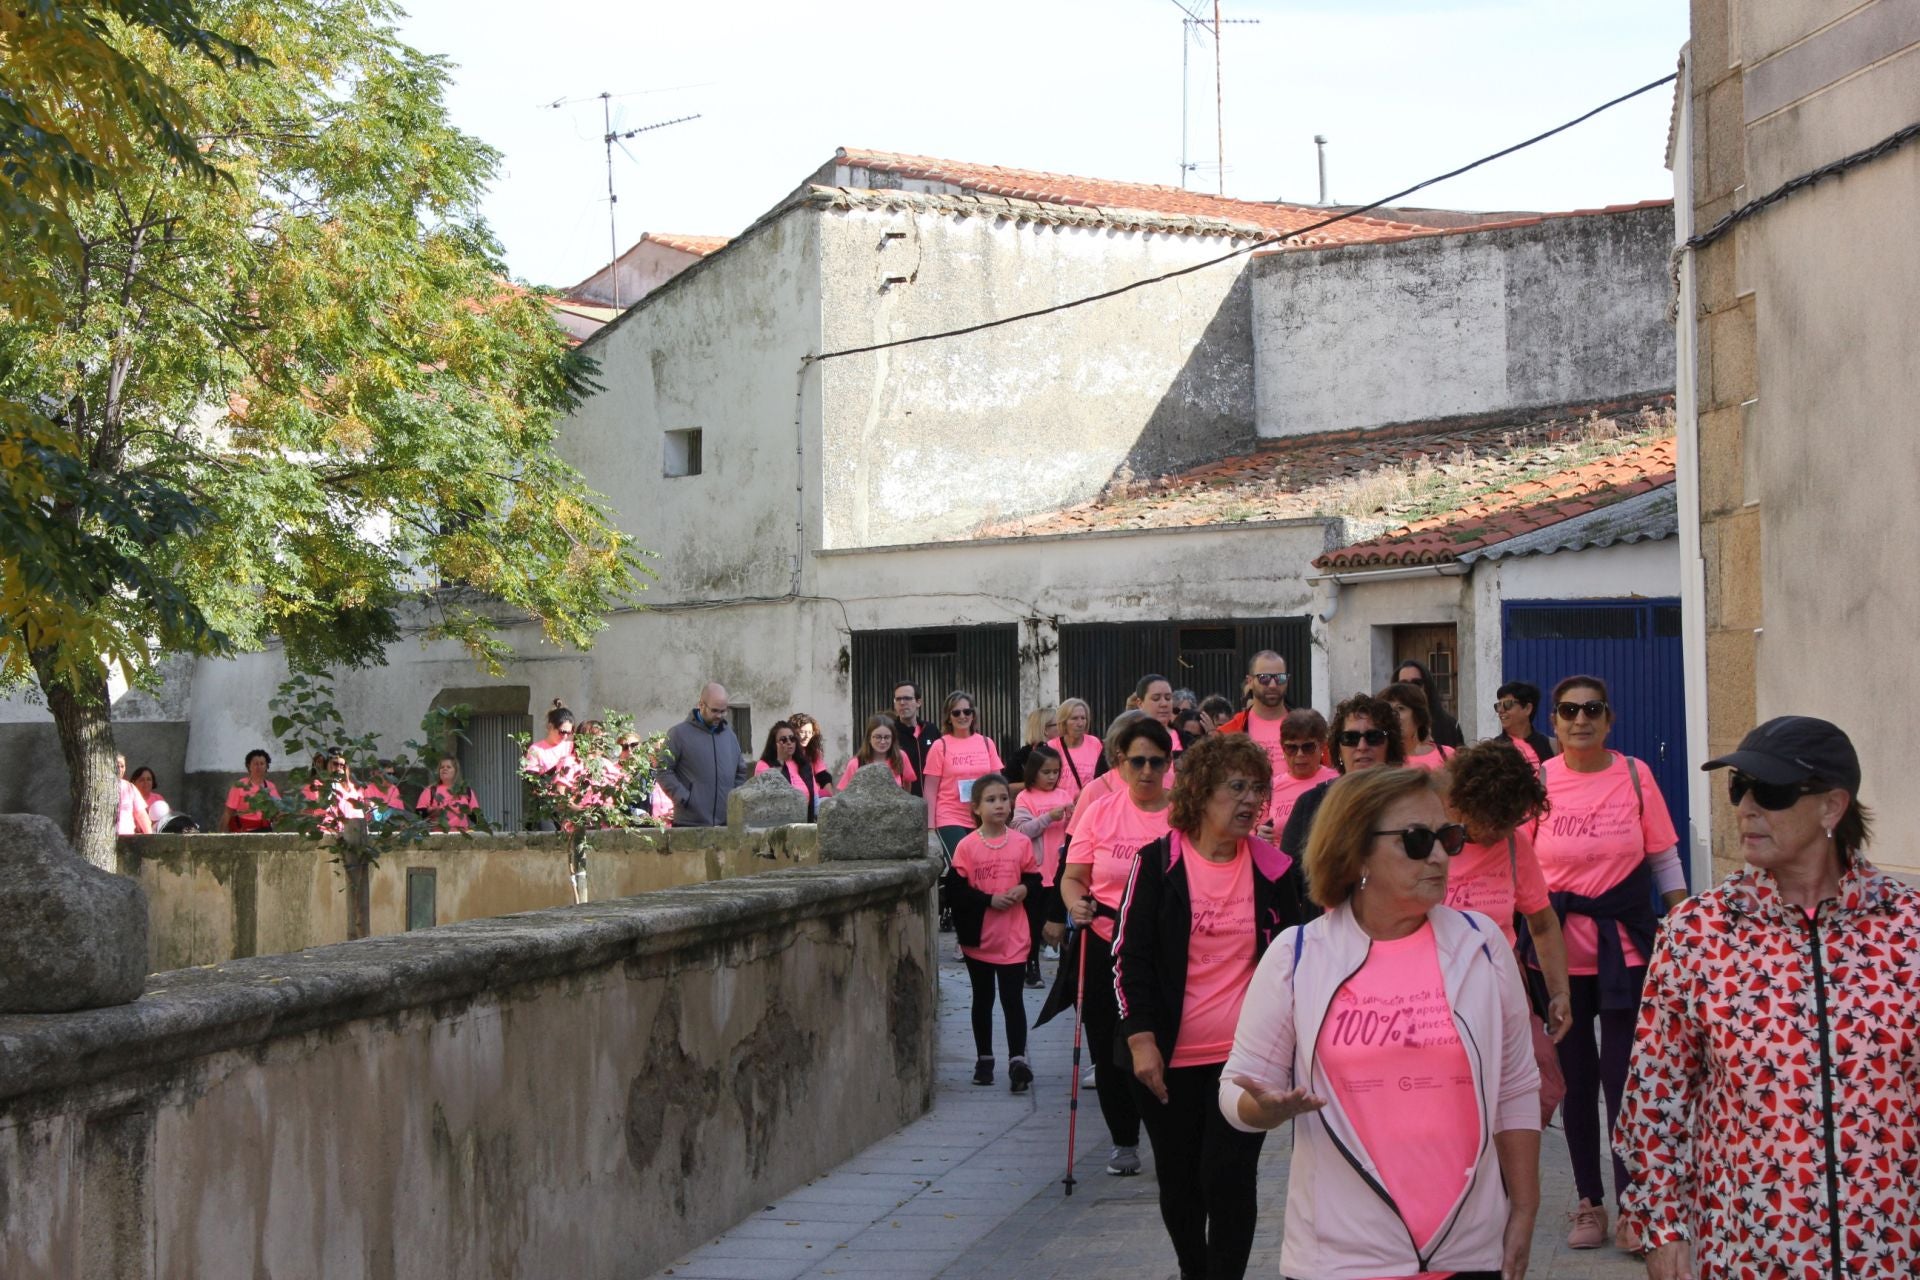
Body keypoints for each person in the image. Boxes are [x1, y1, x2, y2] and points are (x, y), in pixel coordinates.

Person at [1617, 716, 1920, 1279]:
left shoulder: (1908, 930)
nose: (1747, 807)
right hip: (1750, 1250)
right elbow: (1654, 1100)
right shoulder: (1697, 933)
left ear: (1832, 808)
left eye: (1771, 791)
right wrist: (1662, 1227)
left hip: (1889, 1248)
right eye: (1739, 787)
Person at [1220, 767, 1542, 1280]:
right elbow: (1235, 1091)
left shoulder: (1483, 946)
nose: (1439, 855)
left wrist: (1524, 1208)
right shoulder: (1298, 956)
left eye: (1447, 837)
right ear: (1356, 851)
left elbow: (1517, 1087)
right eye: (1417, 841)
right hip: (1340, 1255)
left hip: (1468, 1248)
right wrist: (1262, 1109)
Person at [1113, 732, 1311, 1280]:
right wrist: (1140, 1039)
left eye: (1258, 789)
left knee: (1228, 1179)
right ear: (1200, 793)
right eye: (1237, 787)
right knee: (1180, 1183)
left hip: (1241, 1060)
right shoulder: (1157, 863)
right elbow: (1128, 957)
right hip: (1166, 1058)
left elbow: (1293, 961)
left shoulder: (1274, 870)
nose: (1251, 801)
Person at [1530, 674, 1687, 1252]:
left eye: (1592, 709)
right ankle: (1589, 1202)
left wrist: (1686, 930)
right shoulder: (1538, 782)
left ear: (1609, 719)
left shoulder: (1634, 775)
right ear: (1555, 722)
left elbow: (1664, 859)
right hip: (1557, 960)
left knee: (1627, 1080)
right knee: (1575, 1082)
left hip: (1627, 951)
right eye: (1568, 710)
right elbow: (1519, 868)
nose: (1580, 720)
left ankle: (1636, 1205)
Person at [1056, 716, 1175, 1177]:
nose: (1146, 771)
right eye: (1137, 761)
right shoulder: (1100, 812)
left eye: (1156, 762)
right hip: (1106, 941)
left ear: (1168, 764)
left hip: (1164, 946)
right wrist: (1074, 907)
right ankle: (1124, 1138)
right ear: (1120, 763)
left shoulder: (1184, 813)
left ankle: (1165, 1130)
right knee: (1110, 1050)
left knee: (1160, 1040)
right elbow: (1072, 877)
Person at [945, 773, 1041, 1092]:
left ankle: (1018, 1061)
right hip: (981, 939)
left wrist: (1023, 890)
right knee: (983, 999)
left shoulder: (1022, 842)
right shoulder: (967, 846)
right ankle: (984, 1060)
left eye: (1003, 798)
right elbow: (956, 892)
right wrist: (989, 899)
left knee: (1012, 999)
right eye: (991, 800)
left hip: (1014, 936)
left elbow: (1035, 881)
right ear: (975, 808)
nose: (1000, 805)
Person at [1277, 692, 1408, 864]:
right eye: (1350, 738)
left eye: (1373, 737)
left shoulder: (1409, 800)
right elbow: (1291, 879)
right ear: (1338, 749)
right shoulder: (1311, 804)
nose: (1362, 746)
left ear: (1390, 745)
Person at [1013, 744, 1071, 987]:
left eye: (1056, 772)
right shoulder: (1025, 797)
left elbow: (1075, 830)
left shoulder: (1064, 796)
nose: (1052, 777)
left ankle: (1064, 971)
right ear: (1034, 772)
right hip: (1037, 870)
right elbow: (1021, 831)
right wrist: (1049, 818)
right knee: (1034, 924)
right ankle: (1032, 967)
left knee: (1062, 924)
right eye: (1046, 772)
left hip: (1061, 871)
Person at [922, 691, 1005, 862]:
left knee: (985, 867)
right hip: (950, 816)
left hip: (983, 816)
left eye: (967, 711)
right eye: (956, 712)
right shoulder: (940, 746)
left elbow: (998, 783)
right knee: (963, 865)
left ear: (973, 715)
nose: (962, 716)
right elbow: (930, 790)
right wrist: (930, 828)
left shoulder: (986, 743)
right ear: (948, 717)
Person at [660, 683, 751, 827]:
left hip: (724, 823)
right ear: (701, 705)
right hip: (689, 823)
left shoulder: (730, 736)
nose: (720, 716)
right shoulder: (678, 734)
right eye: (715, 711)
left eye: (723, 711)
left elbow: (740, 771)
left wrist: (732, 798)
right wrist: (684, 798)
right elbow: (663, 770)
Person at [1215, 650, 1293, 779]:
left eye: (1280, 678)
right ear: (1250, 681)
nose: (1273, 685)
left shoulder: (1308, 729)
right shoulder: (1228, 733)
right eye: (1264, 678)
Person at [1263, 708, 1338, 839]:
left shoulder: (1337, 781)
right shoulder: (1272, 787)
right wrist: (1261, 836)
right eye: (1292, 748)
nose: (1300, 754)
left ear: (1321, 746)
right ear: (1283, 748)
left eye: (1308, 747)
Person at [1096, 675, 1183, 779]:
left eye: (1168, 698)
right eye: (1156, 698)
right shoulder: (1121, 739)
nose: (1164, 704)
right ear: (1140, 703)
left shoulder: (1188, 740)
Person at [1381, 681, 1454, 771]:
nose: (1393, 715)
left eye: (1400, 708)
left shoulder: (1447, 755)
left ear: (1418, 716)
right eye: (1388, 709)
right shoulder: (1379, 757)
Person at [755, 720, 821, 820]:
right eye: (783, 740)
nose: (789, 743)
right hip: (778, 822)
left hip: (804, 821)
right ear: (774, 744)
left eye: (792, 738)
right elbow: (771, 794)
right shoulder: (764, 765)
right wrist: (780, 760)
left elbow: (814, 798)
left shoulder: (803, 764)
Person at [1395, 658, 1466, 748]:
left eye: (1416, 683)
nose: (1410, 689)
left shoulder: (1450, 726)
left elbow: (1459, 760)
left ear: (1427, 686)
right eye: (1404, 684)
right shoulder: (1388, 726)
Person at [839, 715, 917, 791]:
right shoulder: (856, 763)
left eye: (887, 737)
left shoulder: (901, 757)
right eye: (878, 737)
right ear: (869, 738)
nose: (882, 741)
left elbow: (907, 784)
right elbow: (844, 793)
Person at [1046, 697, 1101, 802]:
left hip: (1088, 807)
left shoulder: (1095, 744)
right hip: (1060, 810)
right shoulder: (1051, 746)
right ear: (1064, 722)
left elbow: (1103, 778)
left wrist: (1086, 792)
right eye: (1074, 718)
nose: (1080, 723)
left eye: (1083, 718)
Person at [891, 681, 939, 799]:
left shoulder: (931, 730)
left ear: (918, 702)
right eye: (898, 699)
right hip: (902, 803)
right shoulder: (889, 734)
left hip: (933, 799)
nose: (902, 703)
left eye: (907, 698)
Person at [1493, 680, 1556, 767]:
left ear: (1527, 708)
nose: (1501, 710)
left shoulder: (1552, 746)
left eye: (1507, 704)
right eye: (1498, 705)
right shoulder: (1493, 749)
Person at [1004, 706, 1059, 797]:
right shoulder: (1021, 756)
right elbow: (1007, 786)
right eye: (1058, 724)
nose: (1064, 728)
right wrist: (1034, 784)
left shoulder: (1066, 751)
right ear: (1045, 730)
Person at [417, 756, 480, 831]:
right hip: (438, 837)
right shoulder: (430, 790)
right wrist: (432, 811)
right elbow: (418, 815)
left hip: (462, 836)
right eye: (442, 767)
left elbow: (476, 817)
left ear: (455, 771)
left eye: (448, 767)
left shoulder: (465, 790)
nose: (444, 769)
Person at [224, 749, 280, 833]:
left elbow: (278, 810)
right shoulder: (239, 786)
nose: (259, 767)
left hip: (265, 830)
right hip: (244, 830)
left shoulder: (270, 786)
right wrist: (220, 833)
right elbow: (228, 813)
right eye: (255, 764)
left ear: (266, 766)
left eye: (262, 764)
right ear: (248, 766)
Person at [787, 712, 836, 799]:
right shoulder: (784, 754)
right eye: (802, 732)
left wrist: (829, 798)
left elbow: (823, 777)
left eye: (810, 732)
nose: (807, 736)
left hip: (815, 797)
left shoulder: (813, 752)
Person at [114, 754, 153, 835]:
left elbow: (141, 815)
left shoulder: (130, 787)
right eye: (117, 765)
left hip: (128, 838)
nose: (120, 769)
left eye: (122, 766)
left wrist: (150, 839)